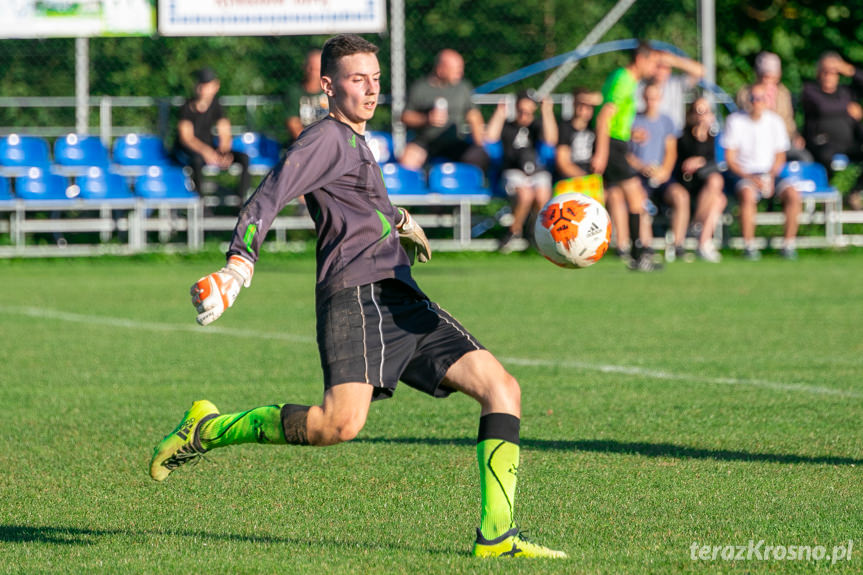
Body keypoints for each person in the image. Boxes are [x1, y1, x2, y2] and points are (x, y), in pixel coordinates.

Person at [149, 34, 566, 560]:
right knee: (337, 425)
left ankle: (497, 537)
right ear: (328, 86)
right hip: (356, 295)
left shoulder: (356, 142)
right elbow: (269, 195)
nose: (370, 90)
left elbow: (356, 202)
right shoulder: (323, 138)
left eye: (375, 79)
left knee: (501, 387)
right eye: (356, 79)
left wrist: (398, 221)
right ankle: (208, 428)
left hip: (400, 295)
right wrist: (239, 264)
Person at [592, 40, 660, 271]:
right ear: (641, 59)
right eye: (653, 63)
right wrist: (601, 152)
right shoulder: (624, 80)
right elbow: (604, 117)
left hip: (617, 142)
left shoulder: (625, 79)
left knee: (631, 198)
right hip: (611, 146)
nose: (655, 69)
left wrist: (631, 132)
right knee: (635, 198)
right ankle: (638, 254)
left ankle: (637, 253)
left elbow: (615, 117)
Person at [722, 84, 801, 260]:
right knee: (748, 195)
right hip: (744, 173)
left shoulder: (775, 121)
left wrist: (770, 177)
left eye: (761, 99)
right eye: (753, 98)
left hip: (770, 172)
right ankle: (749, 245)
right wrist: (750, 178)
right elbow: (730, 159)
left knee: (793, 195)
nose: (757, 103)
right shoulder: (735, 121)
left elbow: (780, 156)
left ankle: (788, 244)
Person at [485, 91, 558, 252]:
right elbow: (489, 137)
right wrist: (499, 113)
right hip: (513, 172)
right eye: (521, 111)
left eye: (528, 112)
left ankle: (537, 233)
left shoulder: (537, 126)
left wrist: (547, 112)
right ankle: (514, 230)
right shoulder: (508, 127)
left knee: (542, 194)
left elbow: (551, 140)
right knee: (525, 194)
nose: (524, 115)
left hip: (537, 173)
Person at [400, 49, 489, 171]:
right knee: (407, 160)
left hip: (455, 142)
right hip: (426, 143)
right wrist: (427, 119)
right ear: (440, 69)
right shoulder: (420, 88)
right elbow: (406, 117)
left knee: (479, 156)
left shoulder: (463, 88)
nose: (461, 73)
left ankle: (474, 187)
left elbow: (473, 115)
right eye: (456, 69)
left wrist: (479, 143)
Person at [173, 67, 251, 203]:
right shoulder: (186, 107)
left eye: (207, 86)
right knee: (196, 161)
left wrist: (224, 152)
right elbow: (187, 138)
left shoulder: (216, 105)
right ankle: (201, 203)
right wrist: (206, 152)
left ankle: (242, 201)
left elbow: (224, 130)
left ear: (215, 87)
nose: (204, 89)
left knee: (243, 158)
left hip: (208, 148)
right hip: (190, 151)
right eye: (201, 85)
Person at [628, 81, 687, 259]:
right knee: (639, 202)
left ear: (660, 98)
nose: (651, 101)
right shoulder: (632, 120)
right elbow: (625, 153)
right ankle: (647, 247)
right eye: (648, 97)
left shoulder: (666, 121)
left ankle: (678, 245)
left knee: (680, 196)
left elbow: (671, 151)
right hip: (639, 175)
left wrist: (664, 172)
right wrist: (641, 167)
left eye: (654, 97)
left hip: (661, 175)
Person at [801, 52, 863, 210]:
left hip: (848, 143)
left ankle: (855, 192)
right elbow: (823, 107)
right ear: (818, 73)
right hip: (822, 143)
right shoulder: (810, 90)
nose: (829, 76)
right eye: (825, 71)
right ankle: (825, 198)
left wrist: (850, 70)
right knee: (825, 156)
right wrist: (847, 108)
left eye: (834, 72)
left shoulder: (845, 92)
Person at [667, 97, 726, 262]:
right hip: (685, 185)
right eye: (697, 112)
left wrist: (701, 162)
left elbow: (721, 164)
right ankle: (699, 234)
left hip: (705, 189)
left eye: (705, 112)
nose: (701, 116)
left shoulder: (715, 139)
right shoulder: (682, 138)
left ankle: (700, 236)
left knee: (718, 192)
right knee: (717, 196)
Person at [736, 52, 810, 162]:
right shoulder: (746, 93)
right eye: (765, 77)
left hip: (780, 143)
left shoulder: (783, 94)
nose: (768, 81)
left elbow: (788, 121)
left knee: (804, 158)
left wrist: (795, 136)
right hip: (754, 143)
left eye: (773, 77)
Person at [638, 50, 704, 133]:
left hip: (675, 134)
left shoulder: (675, 83)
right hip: (651, 135)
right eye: (658, 66)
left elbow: (700, 71)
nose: (661, 71)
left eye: (665, 67)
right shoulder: (641, 86)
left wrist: (674, 61)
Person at [555, 87, 601, 179]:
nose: (584, 109)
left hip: (592, 175)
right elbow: (563, 162)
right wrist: (585, 178)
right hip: (573, 178)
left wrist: (587, 98)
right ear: (574, 104)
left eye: (589, 106)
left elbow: (605, 100)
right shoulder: (565, 127)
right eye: (581, 105)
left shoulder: (594, 126)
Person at [285, 49, 330, 142]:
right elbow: (293, 123)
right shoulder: (295, 92)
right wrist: (311, 143)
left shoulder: (333, 91)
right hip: (303, 144)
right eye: (311, 67)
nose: (313, 72)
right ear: (304, 67)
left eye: (317, 68)